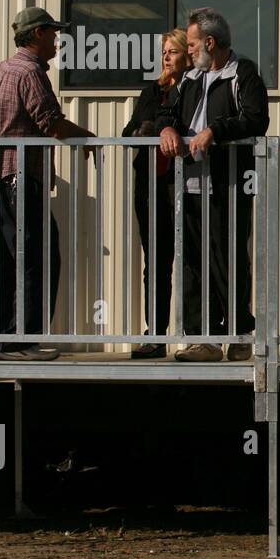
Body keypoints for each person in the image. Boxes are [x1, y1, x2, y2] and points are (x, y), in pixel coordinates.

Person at [0, 7, 96, 362]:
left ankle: (6, 342)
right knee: (37, 257)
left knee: (12, 258)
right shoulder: (29, 71)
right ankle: (19, 343)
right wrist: (88, 137)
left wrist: (1, 117)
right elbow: (51, 123)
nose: (56, 39)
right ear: (35, 35)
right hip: (19, 176)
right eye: (52, 32)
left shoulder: (5, 68)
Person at [157, 7, 269, 362]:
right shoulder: (190, 79)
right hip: (188, 185)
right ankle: (200, 338)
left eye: (191, 44)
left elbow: (256, 118)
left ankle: (238, 333)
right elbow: (166, 113)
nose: (188, 51)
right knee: (191, 262)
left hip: (227, 185)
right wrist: (167, 129)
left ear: (209, 42)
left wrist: (214, 131)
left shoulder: (243, 73)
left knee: (228, 258)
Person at [122, 28, 188, 359]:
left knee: (194, 260)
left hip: (188, 185)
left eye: (173, 51)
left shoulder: (195, 88)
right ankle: (156, 334)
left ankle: (199, 335)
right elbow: (128, 131)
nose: (166, 56)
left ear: (188, 55)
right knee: (157, 261)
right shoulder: (152, 91)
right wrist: (145, 130)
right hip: (152, 185)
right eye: (164, 51)